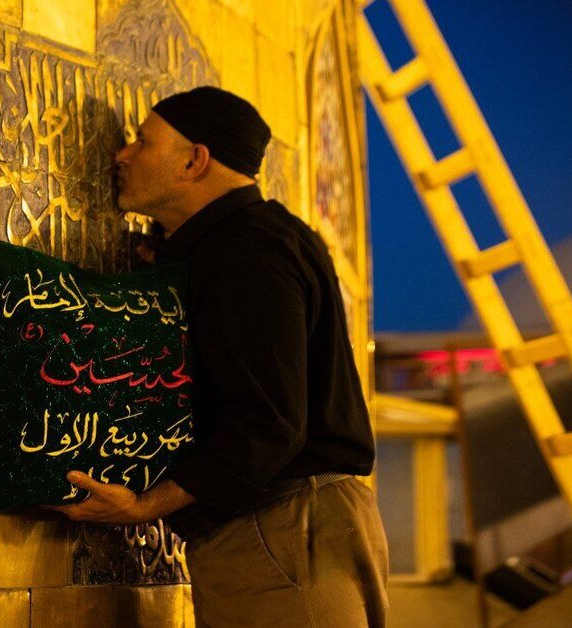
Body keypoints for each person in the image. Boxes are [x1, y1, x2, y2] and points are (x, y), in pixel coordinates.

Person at [47, 86, 389, 626]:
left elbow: (269, 425)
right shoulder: (260, 238)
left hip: (283, 527)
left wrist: (142, 506)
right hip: (300, 526)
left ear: (195, 161)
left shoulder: (246, 252)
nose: (122, 154)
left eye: (143, 141)